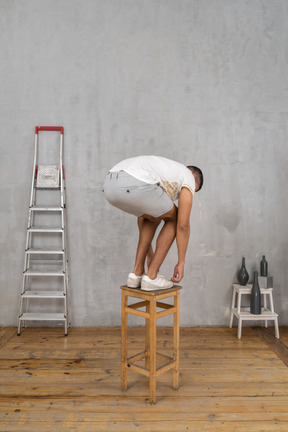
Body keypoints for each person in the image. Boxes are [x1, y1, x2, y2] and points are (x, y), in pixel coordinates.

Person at [103, 155, 203, 291]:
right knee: (175, 218)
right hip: (133, 182)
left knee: (154, 217)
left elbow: (143, 218)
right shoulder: (188, 175)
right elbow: (183, 225)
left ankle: (136, 274)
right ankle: (151, 276)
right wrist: (181, 262)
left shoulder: (165, 172)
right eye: (193, 190)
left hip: (109, 185)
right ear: (193, 175)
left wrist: (150, 255)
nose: (186, 194)